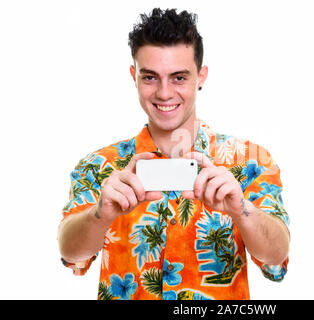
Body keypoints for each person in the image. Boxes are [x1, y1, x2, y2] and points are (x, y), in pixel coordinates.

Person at [58, 8, 290, 300]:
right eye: (150, 77)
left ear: (200, 76)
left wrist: (240, 210)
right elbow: (69, 252)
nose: (164, 93)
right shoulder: (99, 166)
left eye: (179, 78)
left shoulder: (250, 161)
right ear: (134, 76)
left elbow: (277, 256)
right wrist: (99, 216)